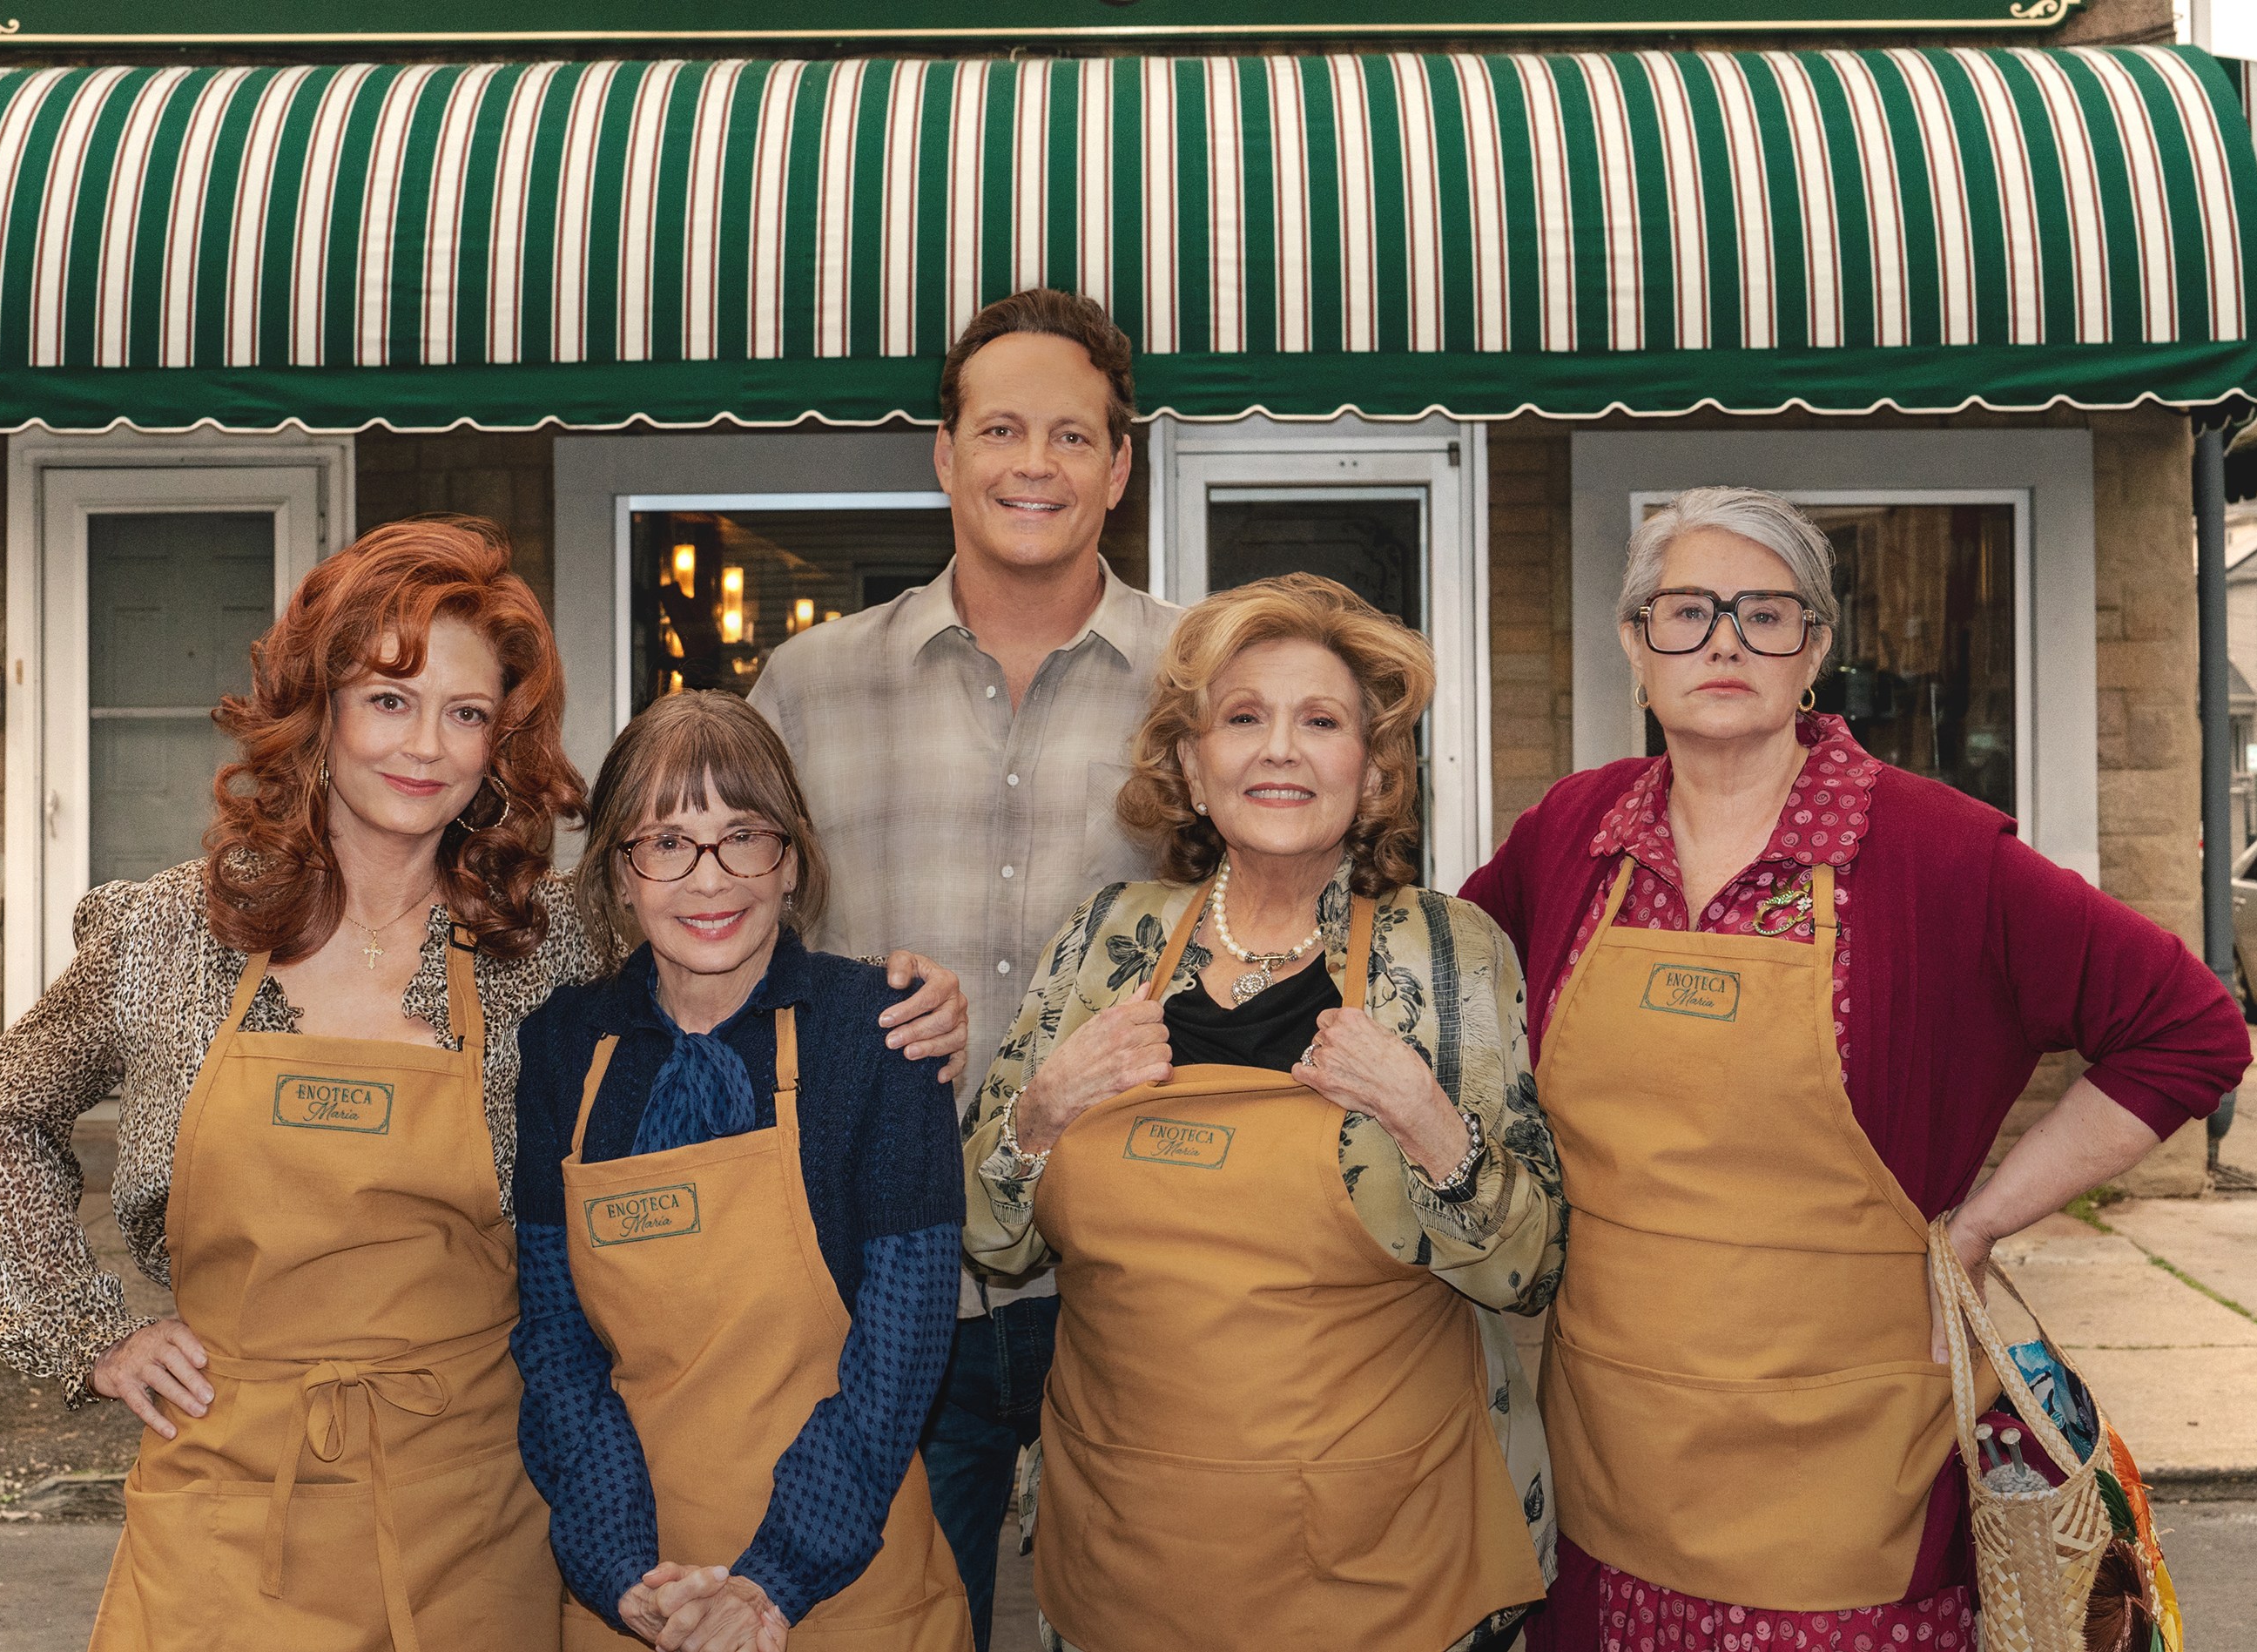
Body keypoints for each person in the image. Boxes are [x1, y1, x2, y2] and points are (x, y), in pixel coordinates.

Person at [0, 516, 973, 1651]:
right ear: (320, 708)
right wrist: (84, 1331)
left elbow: (716, 938)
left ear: (501, 745)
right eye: (390, 699)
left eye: (467, 712)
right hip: (231, 1514)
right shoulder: (169, 939)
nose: (425, 745)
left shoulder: (543, 956)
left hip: (478, 1519)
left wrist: (898, 991)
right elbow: (5, 1108)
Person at [1458, 487, 2253, 1652]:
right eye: (1684, 611)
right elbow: (1442, 1002)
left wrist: (1980, 1222)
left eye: (1765, 613)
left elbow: (2189, 1029)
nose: (1723, 639)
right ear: (1634, 643)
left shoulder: (1933, 852)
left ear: (1815, 648)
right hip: (1612, 1470)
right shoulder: (1571, 838)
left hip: (1852, 1491)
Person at [960, 574, 1567, 1652]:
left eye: (1320, 722)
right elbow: (986, 1236)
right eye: (1243, 718)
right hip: (1126, 1556)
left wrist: (1423, 1115)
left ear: (1373, 775)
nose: (1279, 750)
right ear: (1193, 768)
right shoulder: (1104, 942)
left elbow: (1529, 1263)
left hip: (1388, 1568)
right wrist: (1044, 1110)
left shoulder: (1448, 952)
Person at [748, 287, 1181, 1649]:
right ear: (944, 455)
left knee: (1142, 1619)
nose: (1033, 466)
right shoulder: (811, 684)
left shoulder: (1208, 679)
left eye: (1071, 436)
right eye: (1001, 430)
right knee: (891, 1625)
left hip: (1139, 1279)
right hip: (880, 1278)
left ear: (1120, 465)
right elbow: (716, 945)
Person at [514, 691, 973, 1652]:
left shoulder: (881, 1035)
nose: (709, 879)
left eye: (744, 837)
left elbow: (900, 1353)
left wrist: (771, 1581)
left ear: (793, 858)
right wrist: (619, 1567)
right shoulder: (566, 1046)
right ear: (617, 875)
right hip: (638, 1601)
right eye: (667, 842)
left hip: (847, 1589)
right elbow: (558, 1339)